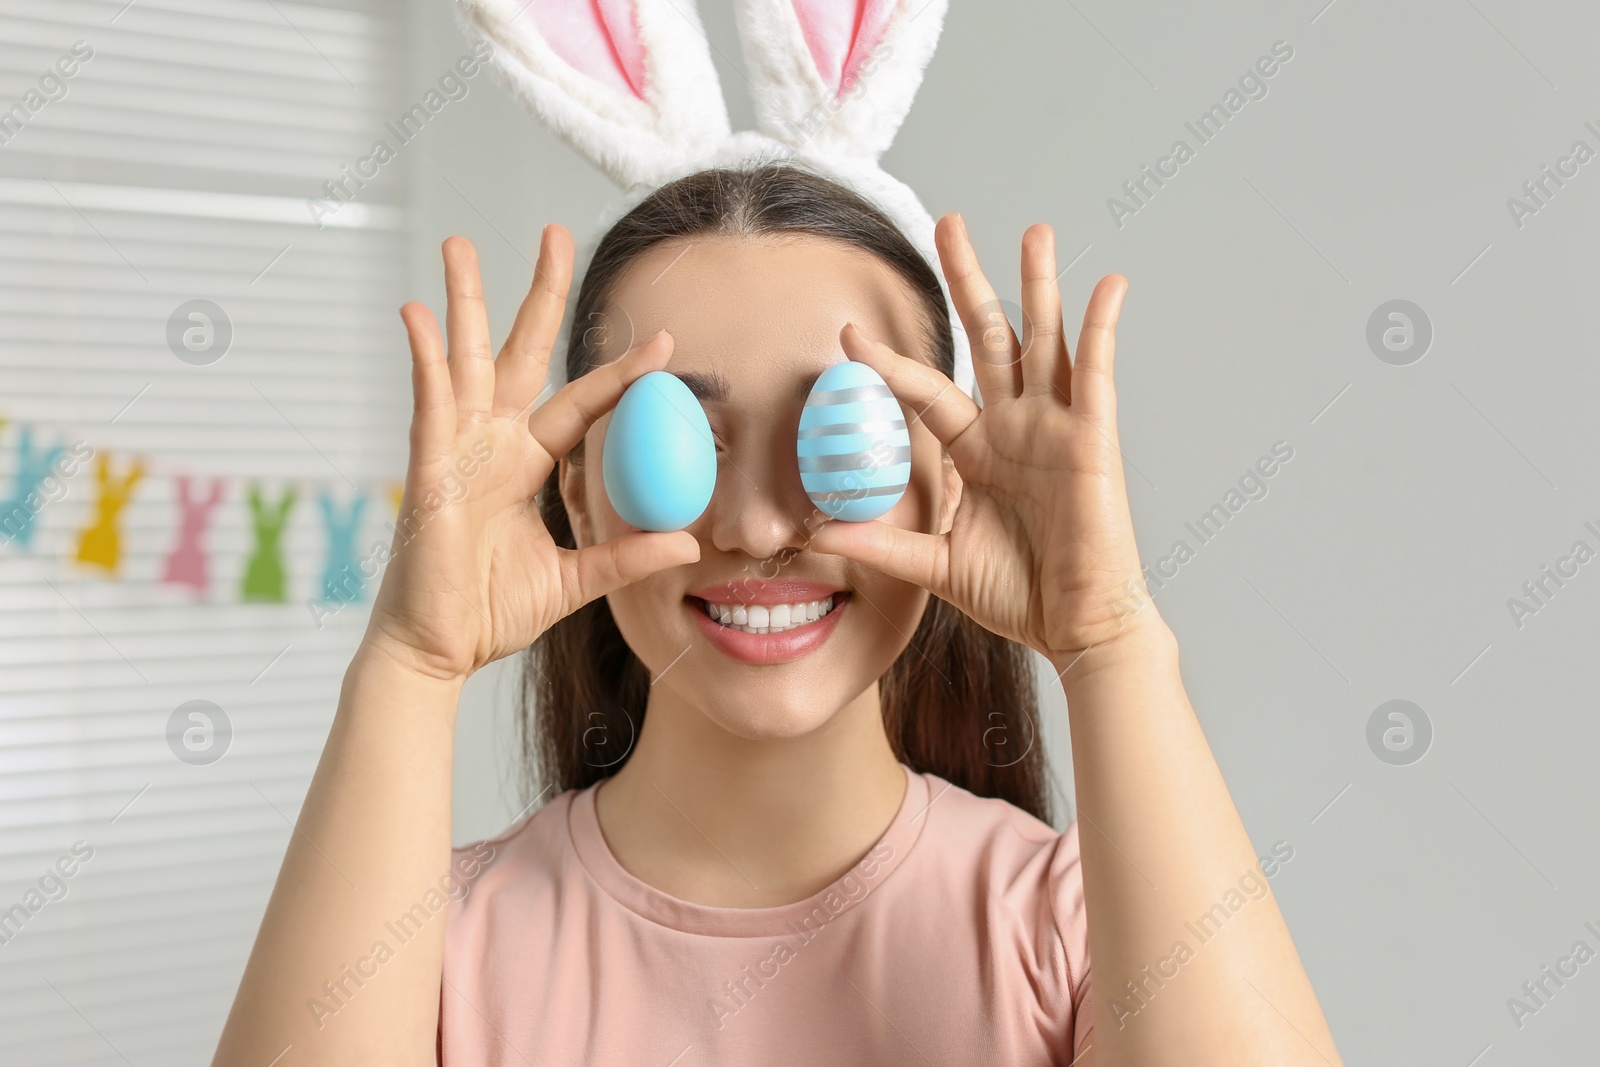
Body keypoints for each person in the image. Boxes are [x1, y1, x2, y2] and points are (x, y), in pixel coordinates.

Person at [211, 163, 1344, 1066]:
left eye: (837, 434)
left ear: (945, 476)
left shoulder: (1080, 926)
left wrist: (1110, 643)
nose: (756, 525)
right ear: (574, 488)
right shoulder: (431, 946)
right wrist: (409, 664)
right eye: (682, 441)